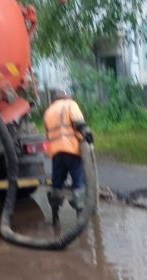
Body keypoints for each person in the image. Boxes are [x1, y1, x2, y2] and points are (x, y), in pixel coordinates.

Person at [44, 87, 94, 220]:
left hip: (56, 152)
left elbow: (48, 132)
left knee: (57, 183)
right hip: (71, 150)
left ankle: (55, 215)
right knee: (78, 182)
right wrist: (88, 133)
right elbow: (79, 123)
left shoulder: (48, 111)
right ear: (66, 96)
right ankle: (80, 216)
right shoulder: (70, 105)